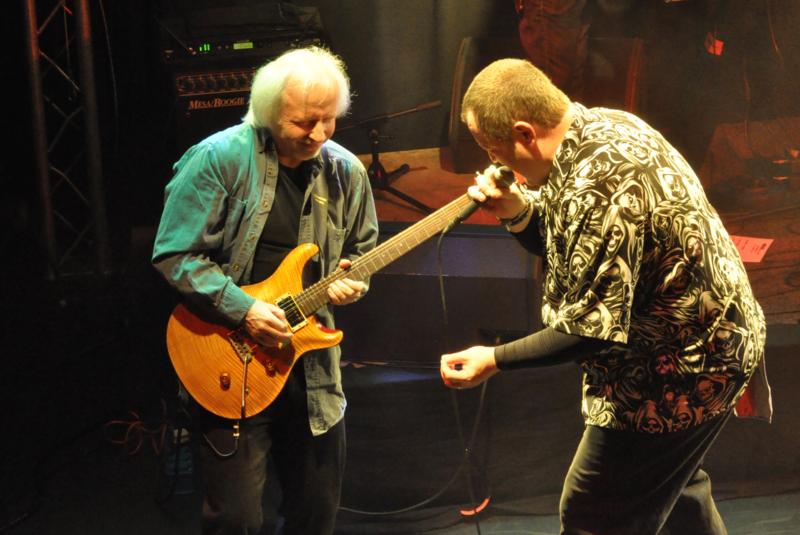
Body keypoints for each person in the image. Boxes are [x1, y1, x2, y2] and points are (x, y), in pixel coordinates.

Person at [439, 58, 772, 534]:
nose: (498, 165)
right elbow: (571, 243)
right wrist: (515, 211)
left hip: (683, 367)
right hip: (708, 343)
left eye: (496, 151)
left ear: (525, 134)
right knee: (674, 492)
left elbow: (589, 330)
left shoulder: (598, 183)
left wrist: (493, 359)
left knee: (594, 513)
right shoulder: (602, 126)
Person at [151, 46, 378, 534]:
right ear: (270, 113)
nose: (319, 134)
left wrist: (352, 283)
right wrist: (245, 309)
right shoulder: (217, 159)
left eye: (328, 119)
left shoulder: (346, 172)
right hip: (229, 360)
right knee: (235, 520)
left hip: (311, 374)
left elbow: (361, 254)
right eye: (304, 122)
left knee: (315, 514)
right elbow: (175, 255)